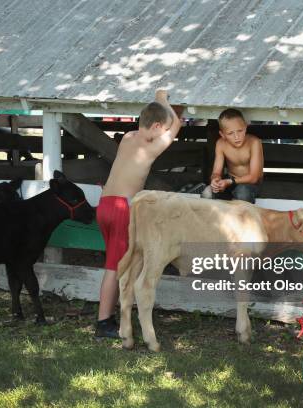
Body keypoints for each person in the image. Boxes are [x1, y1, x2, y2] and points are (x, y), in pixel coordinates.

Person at [95, 89, 183, 338]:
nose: (164, 133)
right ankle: (103, 323)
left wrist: (156, 104)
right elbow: (176, 125)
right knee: (115, 268)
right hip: (123, 209)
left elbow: (160, 121)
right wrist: (164, 98)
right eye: (161, 129)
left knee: (113, 262)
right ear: (156, 126)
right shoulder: (152, 148)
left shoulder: (128, 137)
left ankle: (110, 314)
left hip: (104, 206)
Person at [201, 109, 264, 203]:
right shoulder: (220, 144)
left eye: (240, 131)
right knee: (207, 192)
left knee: (242, 192)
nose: (236, 137)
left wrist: (229, 181)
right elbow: (216, 172)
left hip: (250, 185)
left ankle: (241, 217)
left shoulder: (254, 142)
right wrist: (215, 180)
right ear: (222, 134)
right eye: (230, 133)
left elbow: (254, 177)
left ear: (246, 127)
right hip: (230, 181)